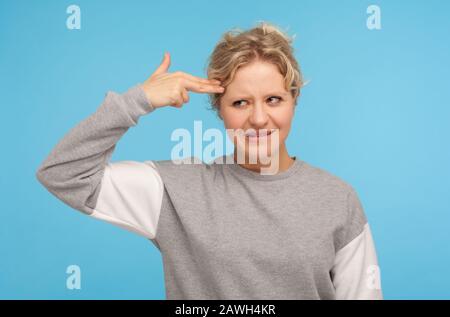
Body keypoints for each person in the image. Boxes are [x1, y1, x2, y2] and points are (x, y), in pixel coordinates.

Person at [36, 22, 383, 300]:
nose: (259, 119)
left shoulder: (337, 199)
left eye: (274, 99)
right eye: (240, 103)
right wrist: (137, 101)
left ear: (294, 100)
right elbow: (62, 174)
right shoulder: (175, 190)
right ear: (219, 109)